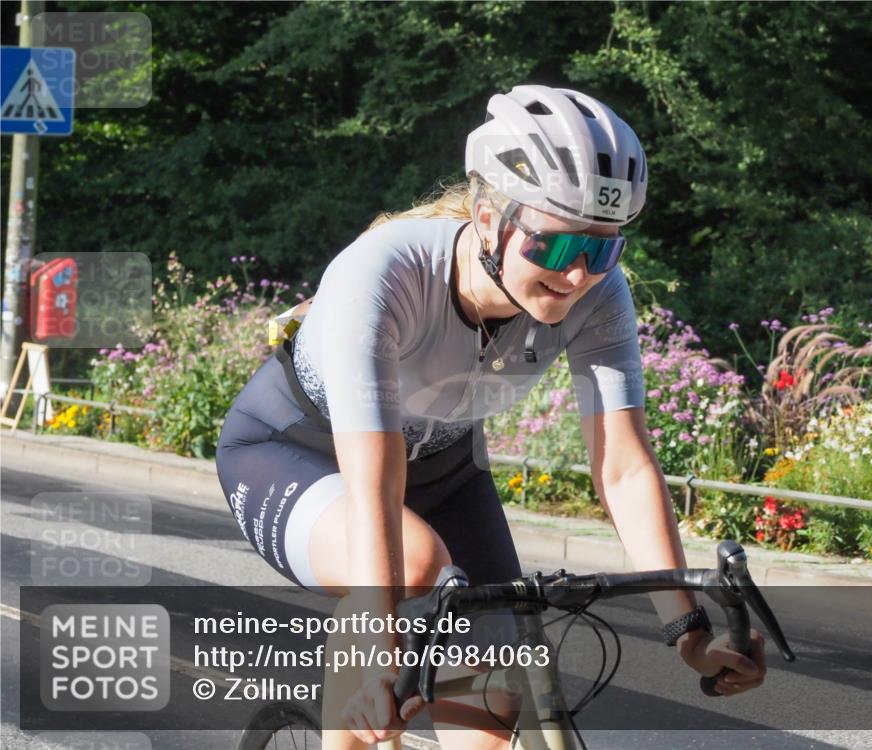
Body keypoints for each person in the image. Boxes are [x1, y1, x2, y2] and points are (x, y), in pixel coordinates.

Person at [216, 84, 766, 750]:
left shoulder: (600, 296)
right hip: (293, 452)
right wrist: (382, 646)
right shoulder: (383, 272)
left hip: (444, 473)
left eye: (601, 250)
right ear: (487, 219)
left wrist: (690, 635)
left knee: (496, 695)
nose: (577, 276)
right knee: (413, 570)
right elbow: (373, 484)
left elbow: (623, 465)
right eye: (555, 248)